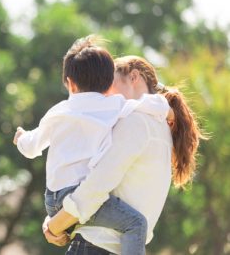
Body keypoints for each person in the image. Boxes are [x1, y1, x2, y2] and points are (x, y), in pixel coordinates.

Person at [13, 37, 170, 255]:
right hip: (80, 200)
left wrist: (21, 137)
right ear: (108, 84)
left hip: (53, 199)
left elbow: (31, 147)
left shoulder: (59, 111)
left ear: (70, 82)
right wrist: (170, 110)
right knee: (136, 224)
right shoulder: (116, 107)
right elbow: (151, 104)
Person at [43, 55, 205, 255]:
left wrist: (54, 225)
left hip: (96, 246)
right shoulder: (159, 127)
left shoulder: (135, 122)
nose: (105, 92)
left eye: (111, 82)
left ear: (134, 77)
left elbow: (94, 188)